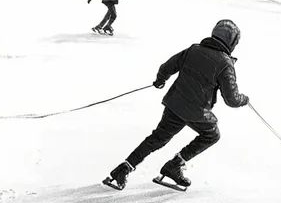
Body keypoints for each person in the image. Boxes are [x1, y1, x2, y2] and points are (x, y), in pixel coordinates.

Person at [103, 19, 249, 191]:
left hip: (175, 104)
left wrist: (160, 80)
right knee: (212, 134)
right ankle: (175, 165)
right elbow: (231, 99)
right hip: (197, 111)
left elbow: (167, 66)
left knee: (157, 138)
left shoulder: (193, 50)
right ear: (231, 42)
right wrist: (243, 99)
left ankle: (124, 168)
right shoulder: (225, 64)